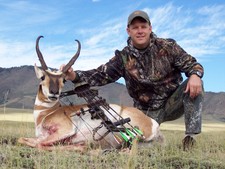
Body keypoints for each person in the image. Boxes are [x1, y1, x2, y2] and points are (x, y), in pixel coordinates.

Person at [62, 10, 204, 151]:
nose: (140, 31)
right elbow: (101, 74)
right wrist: (75, 75)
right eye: (135, 27)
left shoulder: (168, 47)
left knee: (196, 82)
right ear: (128, 31)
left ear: (150, 28)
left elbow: (193, 65)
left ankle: (190, 138)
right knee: (134, 145)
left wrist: (195, 74)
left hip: (172, 104)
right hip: (145, 112)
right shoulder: (123, 57)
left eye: (143, 26)